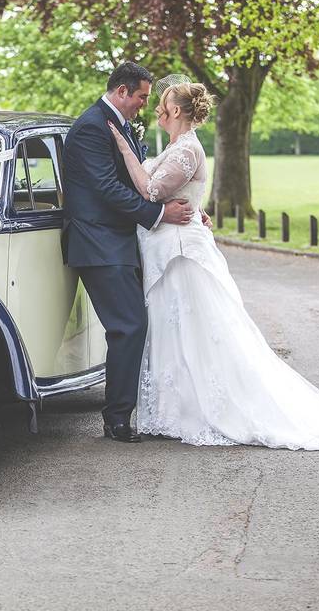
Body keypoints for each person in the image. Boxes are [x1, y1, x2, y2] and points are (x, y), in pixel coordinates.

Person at [106, 76, 319, 449]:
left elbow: (151, 189)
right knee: (174, 330)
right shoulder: (179, 147)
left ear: (176, 111)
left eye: (161, 105)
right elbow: (173, 190)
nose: (158, 111)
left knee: (195, 330)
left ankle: (202, 409)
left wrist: (124, 149)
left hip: (181, 253)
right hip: (170, 247)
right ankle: (174, 409)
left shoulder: (185, 149)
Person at [61, 62, 210, 443]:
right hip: (98, 242)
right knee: (129, 326)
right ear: (123, 91)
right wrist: (160, 213)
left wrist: (186, 206)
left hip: (123, 240)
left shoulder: (118, 124)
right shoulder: (91, 127)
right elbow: (108, 187)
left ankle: (131, 410)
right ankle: (117, 419)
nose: (146, 104)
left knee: (137, 324)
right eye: (142, 96)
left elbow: (146, 178)